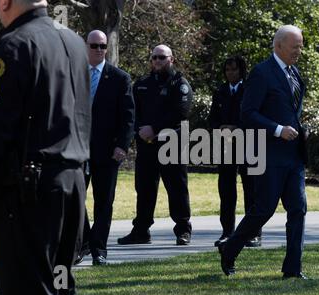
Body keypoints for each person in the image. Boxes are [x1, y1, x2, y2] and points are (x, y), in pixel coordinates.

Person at [0, 0, 91, 295]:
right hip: (72, 186)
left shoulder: (15, 46)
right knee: (60, 286)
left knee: (28, 290)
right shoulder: (73, 42)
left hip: (28, 194)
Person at [218, 25, 309, 279]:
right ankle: (230, 248)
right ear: (279, 45)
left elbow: (291, 111)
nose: (299, 51)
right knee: (264, 210)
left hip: (294, 156)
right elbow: (247, 114)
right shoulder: (262, 73)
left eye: (300, 46)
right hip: (270, 155)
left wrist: (300, 129)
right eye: (295, 46)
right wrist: (278, 129)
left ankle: (293, 269)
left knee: (298, 210)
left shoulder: (295, 73)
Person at [117, 45, 193, 246]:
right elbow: (133, 111)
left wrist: (155, 128)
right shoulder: (142, 84)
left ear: (171, 60)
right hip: (147, 145)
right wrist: (141, 130)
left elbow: (181, 113)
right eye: (154, 58)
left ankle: (183, 230)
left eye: (162, 57)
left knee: (177, 188)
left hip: (172, 144)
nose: (157, 61)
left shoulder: (180, 84)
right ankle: (141, 230)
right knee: (144, 188)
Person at [75, 30, 135, 266]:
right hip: (77, 149)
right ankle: (85, 241)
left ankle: (99, 249)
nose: (99, 50)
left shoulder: (119, 78)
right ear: (85, 46)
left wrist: (122, 145)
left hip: (107, 150)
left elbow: (128, 117)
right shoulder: (74, 73)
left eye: (102, 46)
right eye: (94, 45)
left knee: (103, 201)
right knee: (74, 199)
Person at [208, 56, 261, 248]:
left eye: (234, 70)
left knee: (251, 190)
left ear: (242, 71)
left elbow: (254, 116)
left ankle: (252, 233)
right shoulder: (220, 91)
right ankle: (227, 232)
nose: (231, 73)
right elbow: (212, 119)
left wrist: (236, 128)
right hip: (226, 147)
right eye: (228, 70)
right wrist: (220, 128)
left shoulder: (250, 90)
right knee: (227, 191)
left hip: (250, 145)